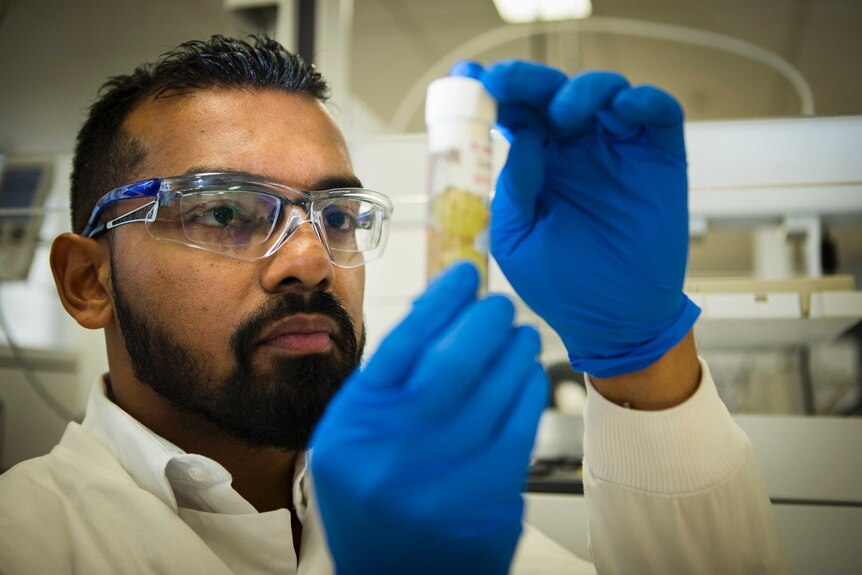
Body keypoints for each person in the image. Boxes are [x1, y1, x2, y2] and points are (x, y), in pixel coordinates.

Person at [0, 35, 786, 574]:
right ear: (88, 281)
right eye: (228, 212)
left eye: (338, 217)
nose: (311, 260)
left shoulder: (442, 522)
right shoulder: (25, 541)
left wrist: (644, 356)